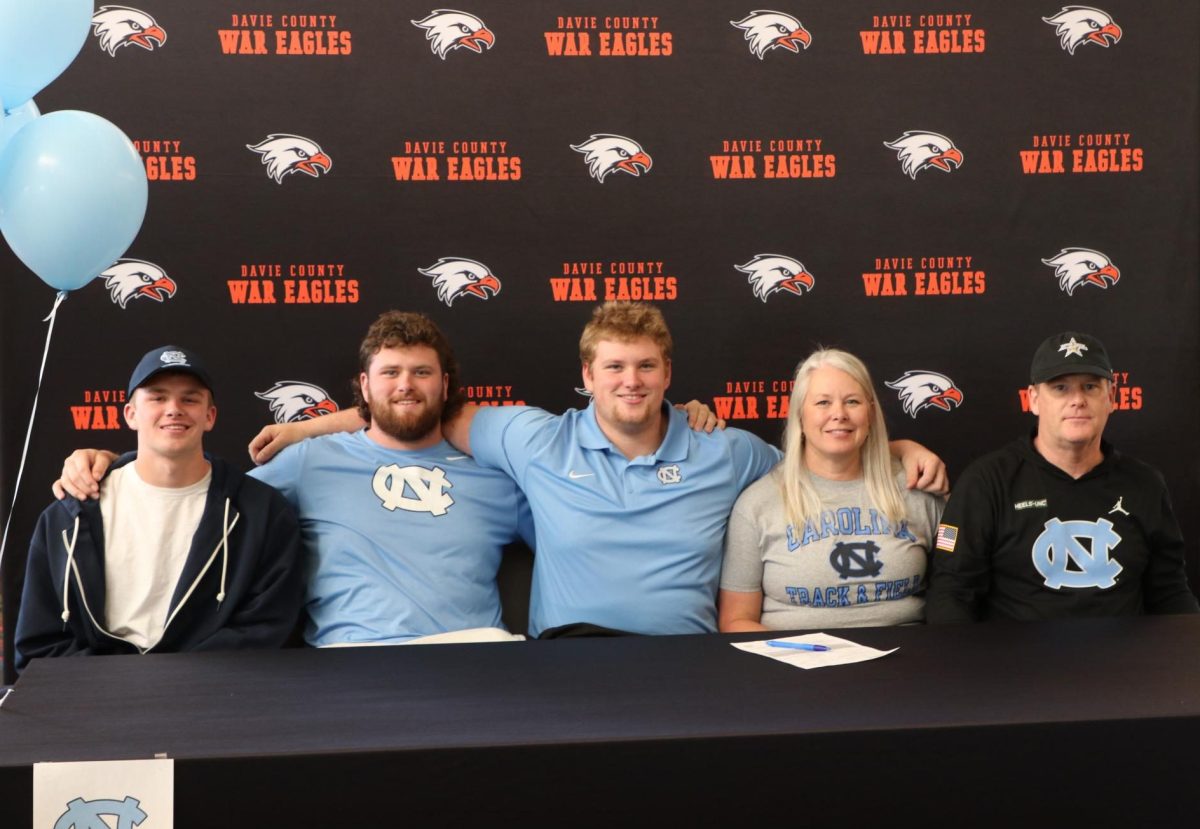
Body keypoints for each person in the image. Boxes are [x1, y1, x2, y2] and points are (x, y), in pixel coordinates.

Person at [243, 302, 948, 637]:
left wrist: (894, 449)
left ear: (669, 371)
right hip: (566, 663)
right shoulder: (532, 437)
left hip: (693, 662)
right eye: (614, 366)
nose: (631, 381)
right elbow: (411, 412)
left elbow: (816, 460)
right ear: (587, 375)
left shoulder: (725, 449)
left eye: (647, 366)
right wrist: (316, 425)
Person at [15, 346, 303, 673]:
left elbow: (267, 631)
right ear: (130, 414)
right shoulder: (69, 516)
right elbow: (39, 644)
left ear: (210, 416)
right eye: (157, 397)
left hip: (213, 697)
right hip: (94, 697)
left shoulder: (261, 513)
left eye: (190, 399)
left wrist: (172, 683)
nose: (174, 409)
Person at [925, 331, 1199, 622]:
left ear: (1111, 398)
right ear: (1033, 399)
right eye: (1061, 388)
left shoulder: (1144, 484)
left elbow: (1170, 591)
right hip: (1017, 661)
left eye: (1090, 387)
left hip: (1122, 661)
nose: (1078, 400)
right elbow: (952, 592)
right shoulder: (987, 481)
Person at [719, 349, 943, 631]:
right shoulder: (757, 505)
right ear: (800, 414)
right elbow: (736, 620)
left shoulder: (918, 488)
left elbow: (956, 577)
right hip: (797, 664)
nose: (839, 414)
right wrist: (799, 656)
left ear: (871, 413)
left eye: (852, 401)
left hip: (905, 662)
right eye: (823, 402)